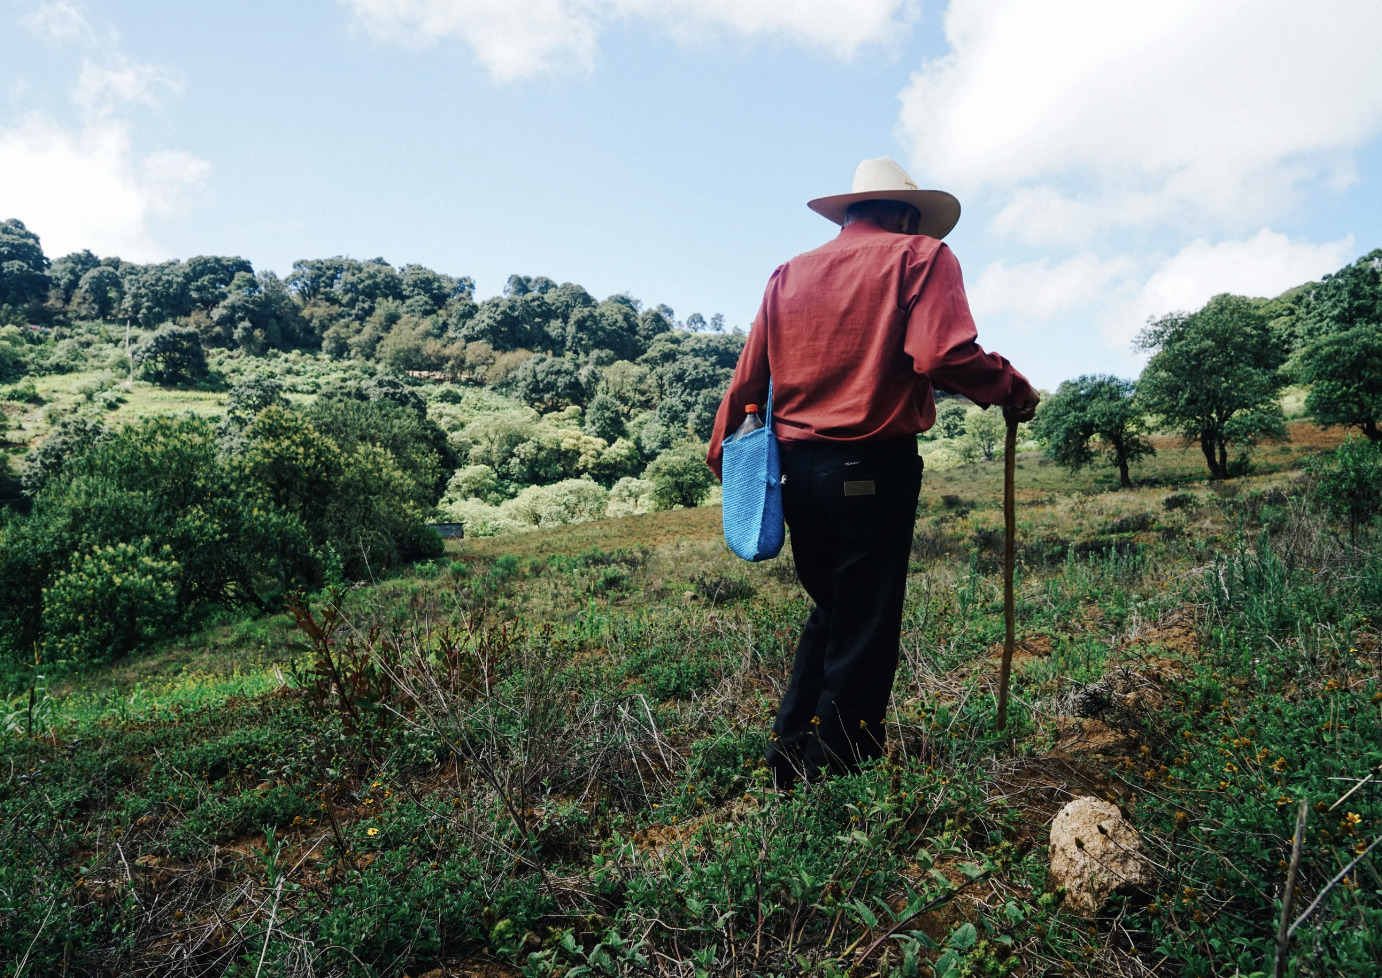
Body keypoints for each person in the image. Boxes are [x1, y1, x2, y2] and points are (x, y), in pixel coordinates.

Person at [706, 157, 1040, 789]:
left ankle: (789, 762)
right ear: (906, 213)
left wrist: (723, 450)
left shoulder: (788, 274)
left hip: (794, 472)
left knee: (835, 610)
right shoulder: (921, 257)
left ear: (851, 212)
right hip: (871, 468)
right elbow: (941, 352)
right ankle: (837, 778)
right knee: (865, 624)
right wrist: (1010, 389)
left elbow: (750, 375)